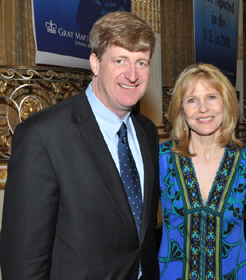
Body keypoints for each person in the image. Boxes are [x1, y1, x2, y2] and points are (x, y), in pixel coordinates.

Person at [0, 11, 160, 280]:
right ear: (95, 64)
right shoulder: (43, 135)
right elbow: (23, 261)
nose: (132, 75)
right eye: (120, 60)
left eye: (141, 63)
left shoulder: (147, 132)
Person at [158, 63, 246, 280]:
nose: (203, 108)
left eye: (211, 97)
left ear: (227, 102)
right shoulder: (163, 158)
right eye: (192, 100)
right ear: (181, 109)